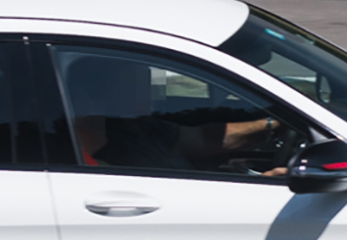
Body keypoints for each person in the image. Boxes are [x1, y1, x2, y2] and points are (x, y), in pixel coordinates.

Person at [64, 54, 286, 174]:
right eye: (136, 84)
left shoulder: (144, 125)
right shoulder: (99, 147)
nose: (149, 89)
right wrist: (268, 182)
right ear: (105, 94)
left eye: (147, 80)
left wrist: (272, 123)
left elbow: (202, 139)